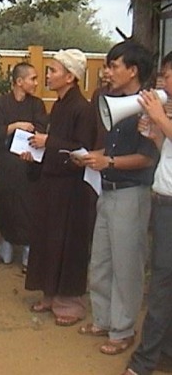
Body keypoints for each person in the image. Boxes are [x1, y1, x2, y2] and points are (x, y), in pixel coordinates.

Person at [77, 41, 158, 356]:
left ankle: (123, 330)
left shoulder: (148, 108)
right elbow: (114, 151)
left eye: (114, 66)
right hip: (108, 192)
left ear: (133, 70)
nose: (108, 72)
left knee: (126, 266)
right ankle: (103, 319)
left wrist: (107, 162)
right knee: (101, 260)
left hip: (130, 195)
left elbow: (146, 158)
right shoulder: (116, 103)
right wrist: (93, 156)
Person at [25, 49, 97, 326]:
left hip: (72, 189)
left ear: (70, 77)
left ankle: (69, 301)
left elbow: (82, 150)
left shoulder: (83, 109)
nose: (48, 75)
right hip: (51, 184)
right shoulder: (59, 105)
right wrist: (35, 152)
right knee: (48, 239)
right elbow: (55, 144)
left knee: (67, 243)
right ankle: (49, 293)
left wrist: (49, 142)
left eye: (53, 70)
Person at [121, 51, 172, 375]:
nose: (163, 82)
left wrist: (159, 118)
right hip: (164, 201)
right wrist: (155, 133)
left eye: (168, 76)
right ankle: (165, 352)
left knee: (162, 284)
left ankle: (143, 363)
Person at [0, 62, 47, 273]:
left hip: (28, 163)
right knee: (7, 202)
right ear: (19, 82)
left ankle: (29, 255)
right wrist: (16, 126)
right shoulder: (2, 103)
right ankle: (5, 249)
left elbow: (41, 129)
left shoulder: (37, 105)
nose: (36, 83)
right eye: (33, 78)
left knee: (28, 205)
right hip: (7, 163)